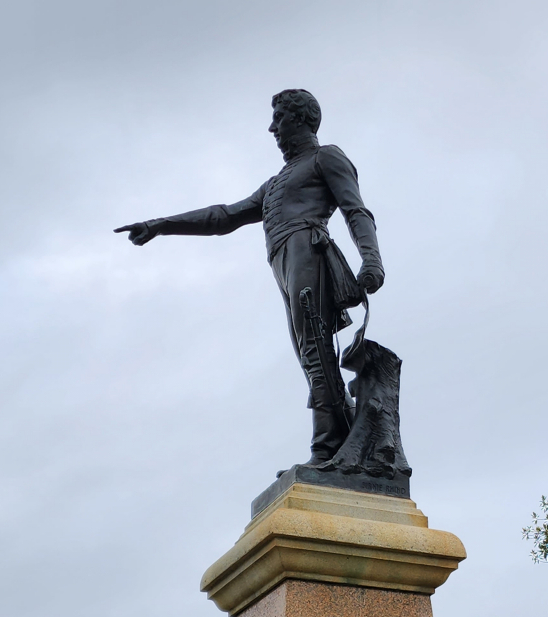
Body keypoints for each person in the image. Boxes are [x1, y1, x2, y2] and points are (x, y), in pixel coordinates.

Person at [115, 89, 384, 465]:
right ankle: (342, 438)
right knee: (310, 356)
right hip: (284, 262)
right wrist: (161, 225)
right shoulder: (274, 183)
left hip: (309, 248)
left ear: (303, 120)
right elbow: (223, 217)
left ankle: (328, 446)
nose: (272, 127)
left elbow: (357, 211)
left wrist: (371, 260)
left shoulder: (327, 157)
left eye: (280, 118)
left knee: (315, 350)